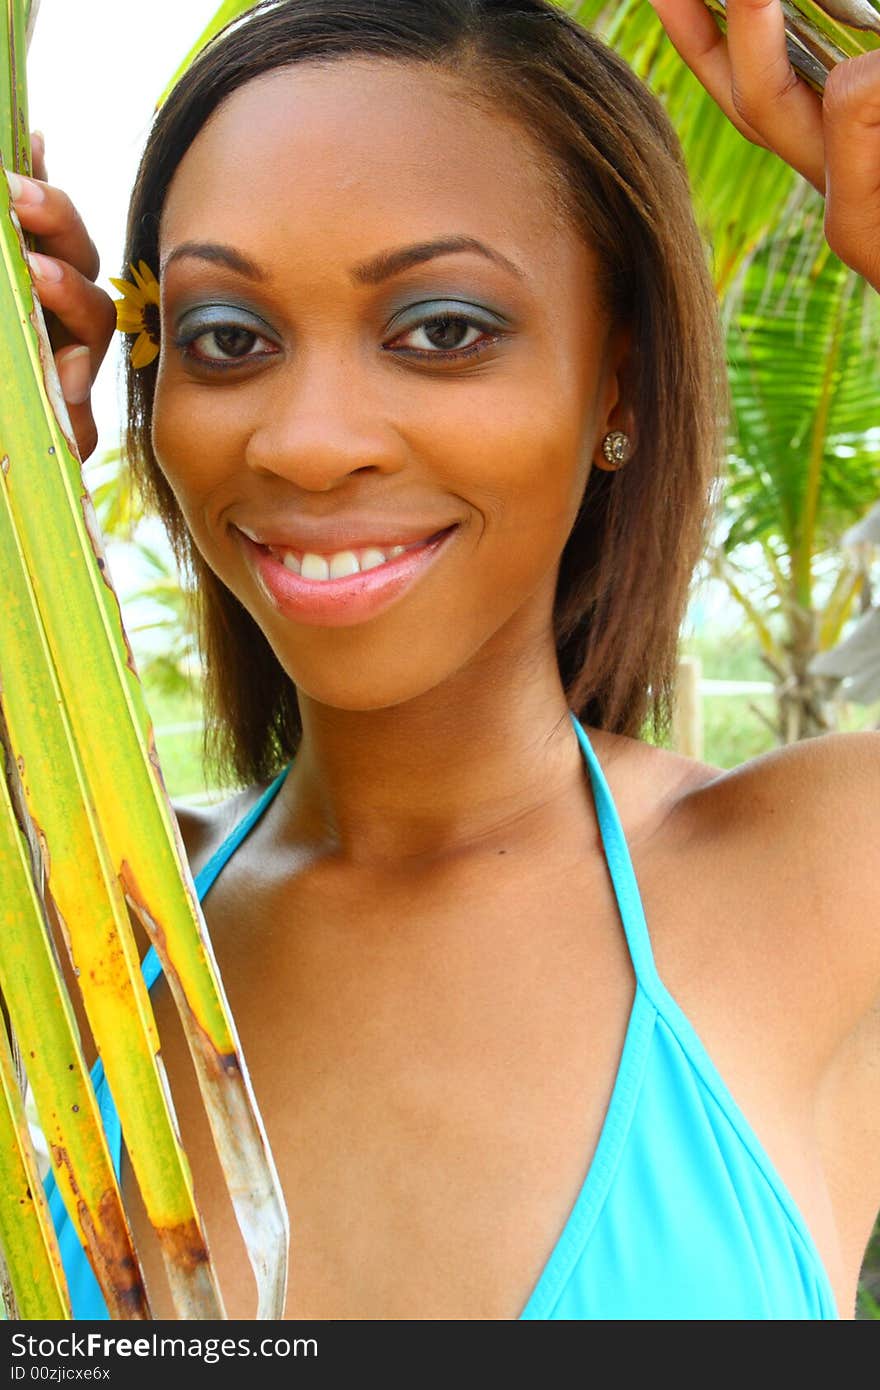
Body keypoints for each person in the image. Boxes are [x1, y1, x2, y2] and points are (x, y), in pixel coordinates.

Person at [9, 0, 878, 1320]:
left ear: (620, 387)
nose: (307, 441)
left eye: (443, 327)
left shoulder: (823, 877)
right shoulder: (67, 922)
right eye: (229, 337)